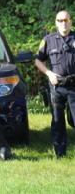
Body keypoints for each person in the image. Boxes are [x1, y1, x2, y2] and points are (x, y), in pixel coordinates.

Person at [35, 10, 75, 158]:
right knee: (57, 121)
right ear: (56, 23)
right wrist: (49, 73)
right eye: (60, 20)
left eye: (66, 20)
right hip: (56, 86)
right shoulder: (48, 40)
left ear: (70, 21)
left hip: (74, 85)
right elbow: (38, 60)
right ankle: (60, 153)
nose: (63, 23)